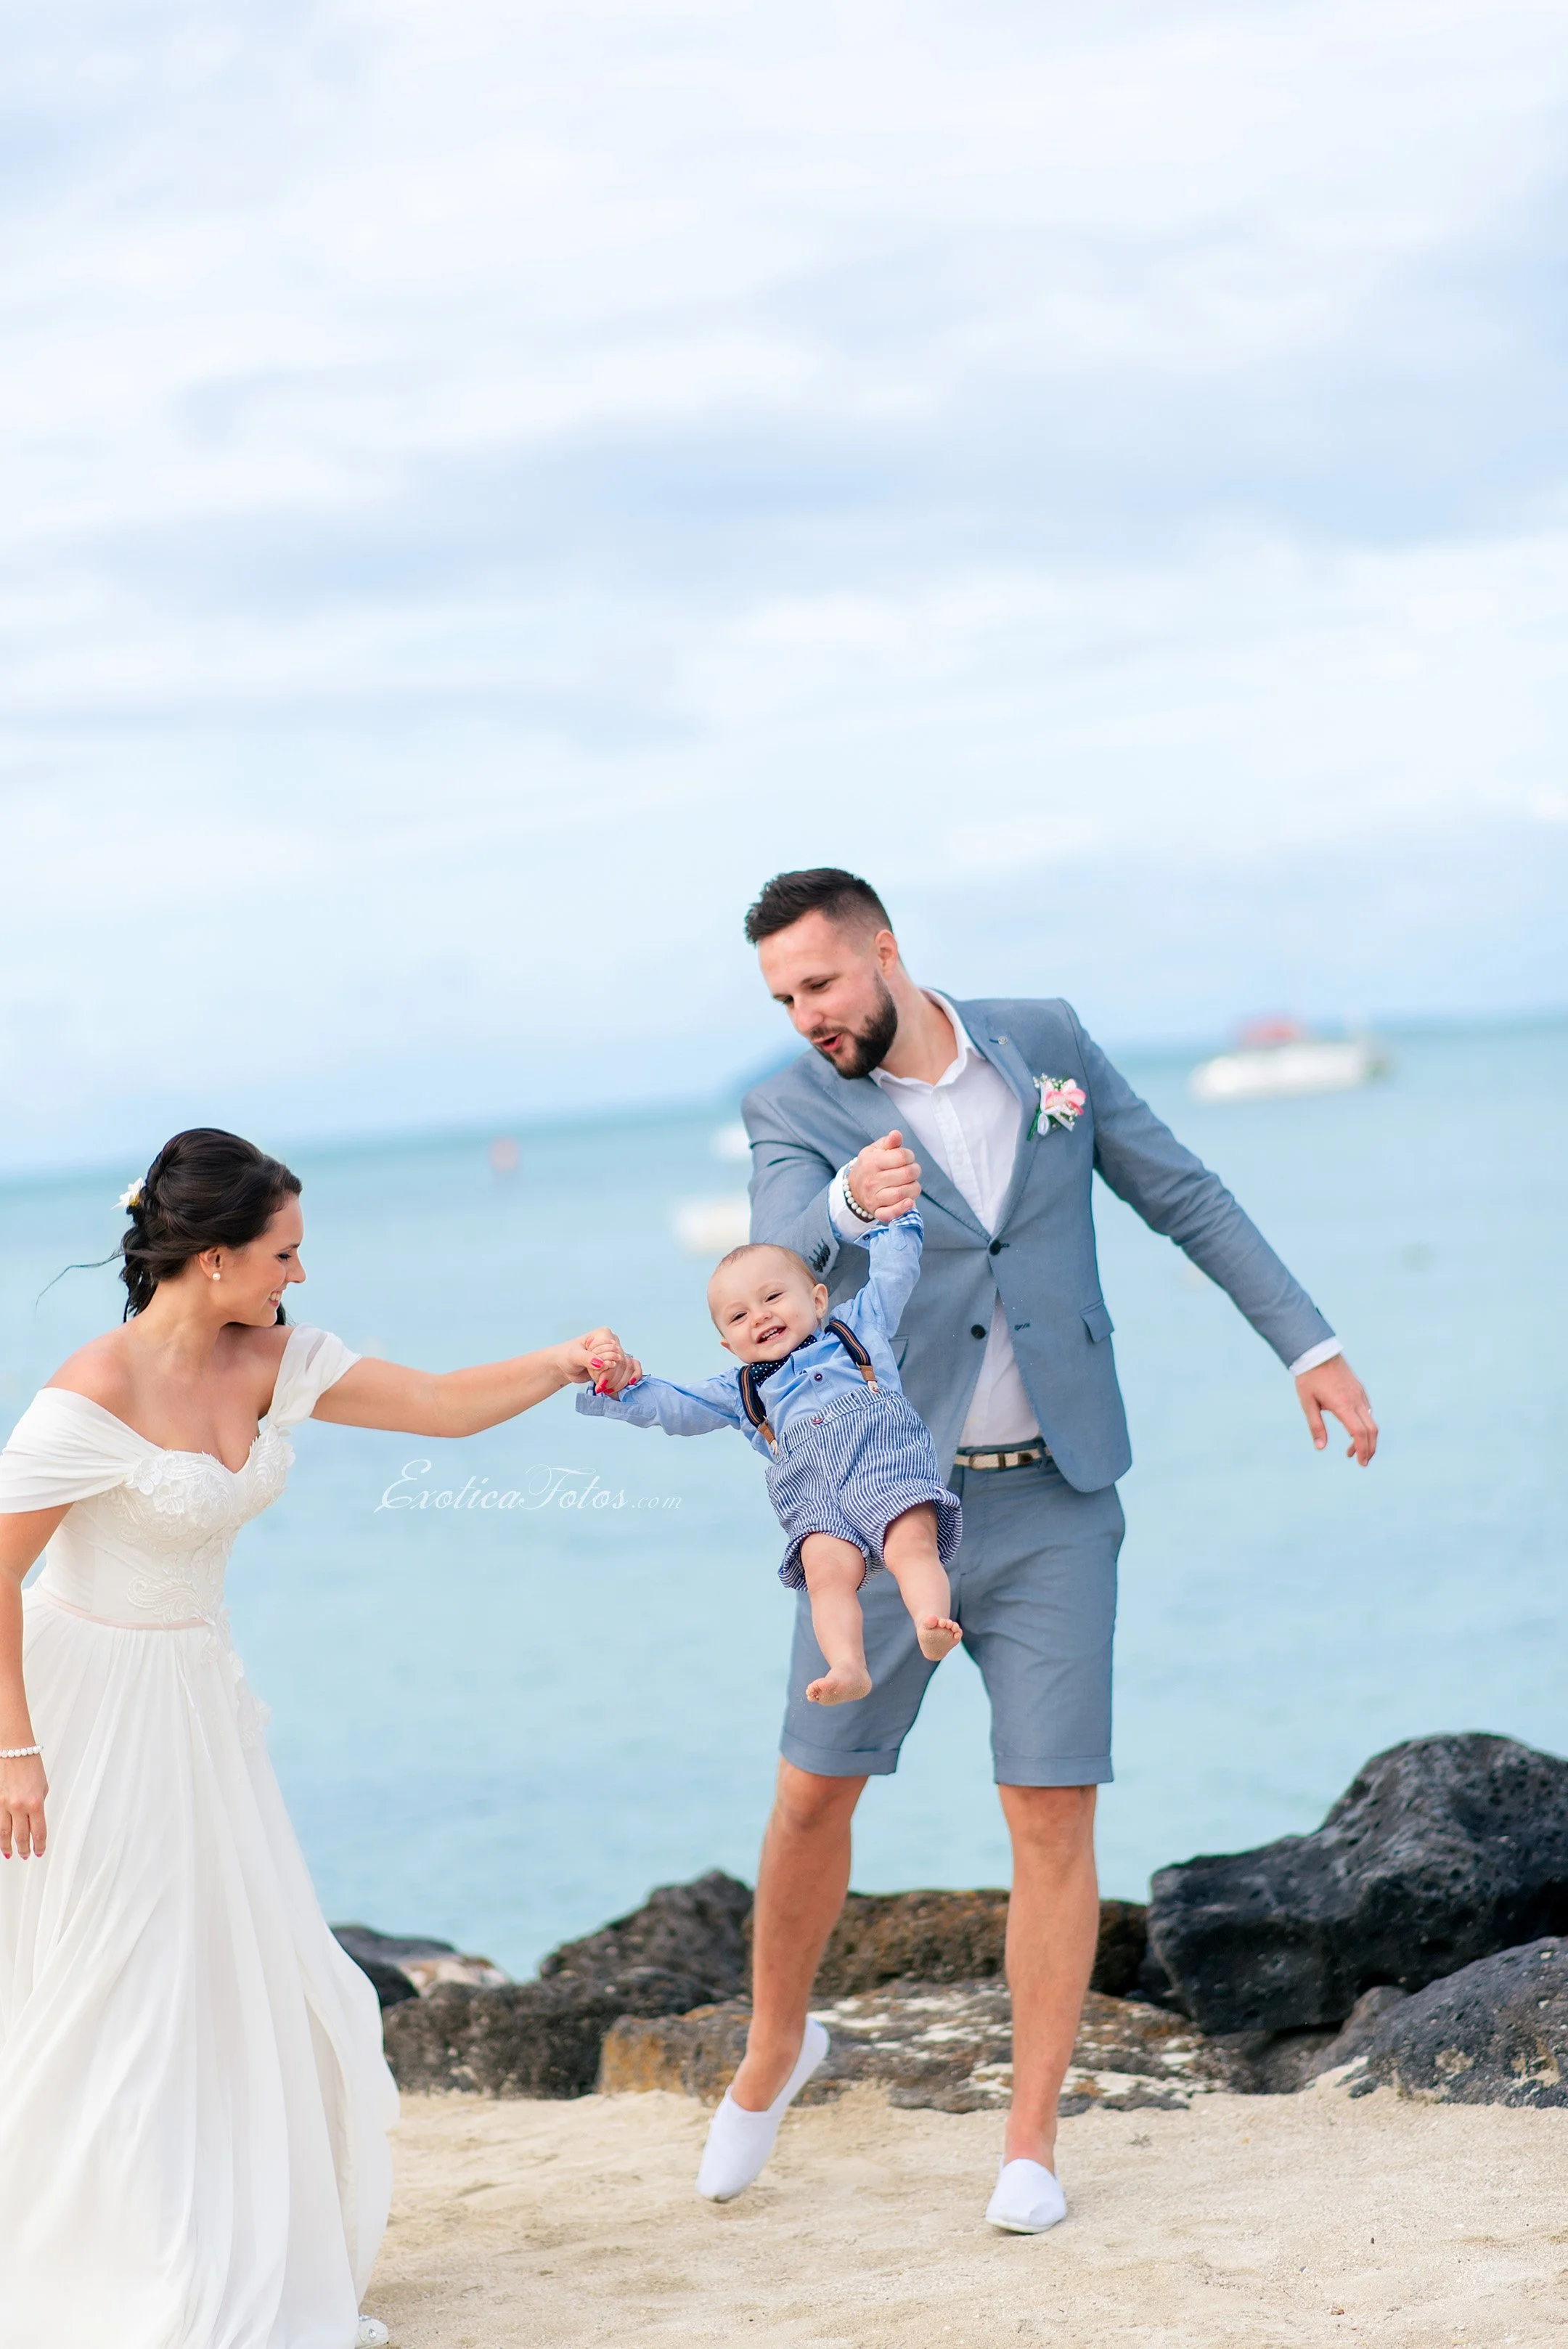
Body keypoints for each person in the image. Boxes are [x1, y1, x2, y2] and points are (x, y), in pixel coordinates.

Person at [713, 868, 1379, 2234]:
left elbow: (1181, 1192)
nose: (807, 1015)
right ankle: (778, 2045)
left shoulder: (1047, 1043)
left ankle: (1030, 2144)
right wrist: (845, 1210)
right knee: (812, 1793)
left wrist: (1308, 1345)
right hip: (879, 1508)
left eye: (821, 982)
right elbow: (774, 1255)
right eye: (783, 998)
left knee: (1053, 1811)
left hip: (1059, 1499)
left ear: (885, 950)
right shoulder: (793, 1109)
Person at [0, 1127, 627, 2349]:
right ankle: (108, 2259)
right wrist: (13, 1753)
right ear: (215, 1257)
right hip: (87, 1715)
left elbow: (438, 1406)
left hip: (200, 1704)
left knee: (231, 1975)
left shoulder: (274, 1357)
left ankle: (205, 2237)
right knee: (121, 1977)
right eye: (284, 1252)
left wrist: (560, 1361)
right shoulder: (94, 1387)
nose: (300, 1272)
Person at [579, 1205, 963, 1710]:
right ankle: (848, 1665)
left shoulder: (856, 1330)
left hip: (885, 1468)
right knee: (825, 1576)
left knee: (910, 1543)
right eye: (739, 1316)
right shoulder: (741, 1390)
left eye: (773, 1297)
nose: (759, 1316)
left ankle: (930, 1621)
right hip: (815, 1499)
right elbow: (675, 1406)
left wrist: (895, 1221)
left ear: (818, 1299)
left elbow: (894, 1272)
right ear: (729, 1344)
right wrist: (619, 1384)